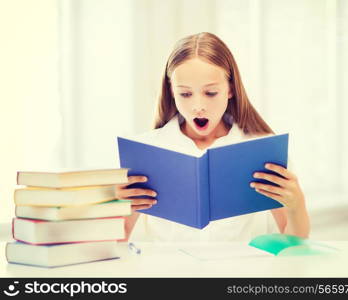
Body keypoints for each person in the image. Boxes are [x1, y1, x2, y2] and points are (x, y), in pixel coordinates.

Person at [115, 32, 310, 242]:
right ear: (171, 91)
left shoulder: (260, 148)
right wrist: (115, 206)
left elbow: (294, 242)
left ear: (230, 90)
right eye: (185, 94)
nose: (198, 106)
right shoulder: (146, 151)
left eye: (210, 93)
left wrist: (296, 204)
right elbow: (118, 240)